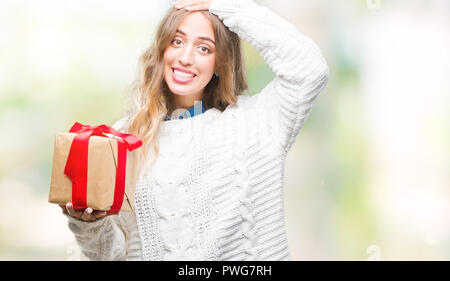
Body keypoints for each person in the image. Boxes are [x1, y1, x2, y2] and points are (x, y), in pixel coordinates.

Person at [60, 0, 329, 261]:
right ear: (162, 48)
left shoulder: (259, 122)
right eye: (177, 41)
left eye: (204, 48)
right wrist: (88, 224)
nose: (186, 58)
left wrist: (224, 5)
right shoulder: (126, 137)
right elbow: (114, 255)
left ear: (221, 61)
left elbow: (309, 68)